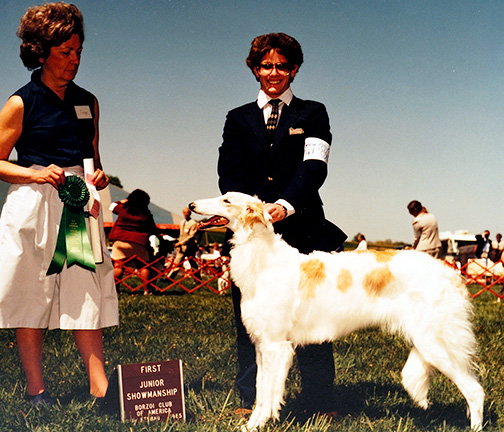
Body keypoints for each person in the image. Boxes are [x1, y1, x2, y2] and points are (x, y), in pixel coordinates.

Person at [217, 32, 347, 415]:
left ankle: (320, 400)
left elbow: (314, 166)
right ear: (254, 69)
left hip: (303, 225)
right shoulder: (237, 119)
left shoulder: (313, 113)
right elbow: (229, 173)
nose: (274, 73)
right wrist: (253, 211)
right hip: (254, 234)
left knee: (312, 316)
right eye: (266, 66)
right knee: (251, 317)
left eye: (282, 66)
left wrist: (285, 206)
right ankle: (251, 398)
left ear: (294, 70)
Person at [0, 3, 118, 405]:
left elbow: (94, 160)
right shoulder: (21, 102)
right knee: (30, 292)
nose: (74, 61)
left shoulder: (89, 102)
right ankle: (37, 390)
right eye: (65, 52)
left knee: (86, 290)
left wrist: (98, 178)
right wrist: (34, 173)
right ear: (41, 51)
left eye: (78, 52)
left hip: (78, 203)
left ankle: (99, 388)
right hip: (34, 204)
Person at [109, 189, 159, 295]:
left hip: (120, 240)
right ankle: (147, 290)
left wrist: (124, 201)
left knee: (118, 265)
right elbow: (153, 230)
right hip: (139, 242)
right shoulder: (146, 214)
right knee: (144, 267)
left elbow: (112, 206)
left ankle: (115, 290)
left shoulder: (122, 209)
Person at [167, 207, 200, 280]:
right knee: (177, 262)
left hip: (190, 246)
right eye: (184, 213)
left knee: (192, 263)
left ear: (190, 214)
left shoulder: (193, 223)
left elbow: (191, 236)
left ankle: (197, 278)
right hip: (182, 247)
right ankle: (170, 278)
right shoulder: (182, 222)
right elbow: (181, 235)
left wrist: (181, 242)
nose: (186, 214)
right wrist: (179, 243)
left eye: (187, 213)